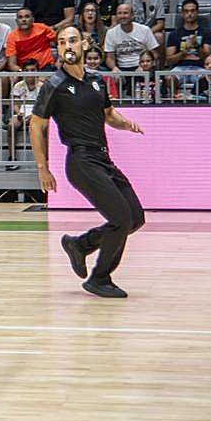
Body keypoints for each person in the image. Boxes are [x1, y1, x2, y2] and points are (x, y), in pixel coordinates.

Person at [30, 24, 145, 298]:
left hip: (102, 158)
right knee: (120, 219)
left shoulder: (96, 80)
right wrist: (42, 167)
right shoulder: (54, 85)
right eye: (61, 43)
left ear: (84, 44)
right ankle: (99, 278)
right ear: (58, 50)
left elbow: (108, 114)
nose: (67, 46)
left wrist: (126, 124)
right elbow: (36, 125)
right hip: (80, 161)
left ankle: (81, 245)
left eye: (72, 41)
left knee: (135, 218)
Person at [6, 7, 56, 71]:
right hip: (24, 70)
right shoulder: (12, 37)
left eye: (27, 17)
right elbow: (12, 64)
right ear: (16, 21)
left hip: (45, 67)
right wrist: (22, 72)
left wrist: (59, 60)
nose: (24, 20)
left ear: (33, 19)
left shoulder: (43, 28)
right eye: (20, 17)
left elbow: (60, 42)